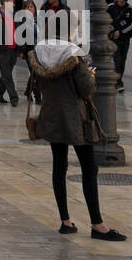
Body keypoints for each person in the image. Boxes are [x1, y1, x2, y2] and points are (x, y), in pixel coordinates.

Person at [27, 35, 126, 240]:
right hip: (76, 119)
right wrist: (90, 75)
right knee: (89, 168)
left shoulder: (40, 56)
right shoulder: (75, 58)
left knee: (59, 166)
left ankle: (66, 221)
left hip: (53, 116)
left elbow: (37, 86)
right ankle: (97, 225)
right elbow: (86, 89)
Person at [0, 0, 20, 105]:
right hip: (2, 49)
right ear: (4, 4)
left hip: (13, 49)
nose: (14, 4)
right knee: (7, 74)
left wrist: (20, 49)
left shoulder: (14, 16)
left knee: (6, 73)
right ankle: (14, 97)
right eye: (11, 2)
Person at [107, 0, 132, 93]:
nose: (120, 3)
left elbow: (131, 24)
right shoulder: (110, 7)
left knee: (122, 61)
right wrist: (111, 31)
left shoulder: (130, 9)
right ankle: (118, 82)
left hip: (125, 39)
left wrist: (121, 32)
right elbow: (105, 20)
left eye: (122, 2)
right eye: (119, 1)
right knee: (117, 60)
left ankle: (118, 80)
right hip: (113, 39)